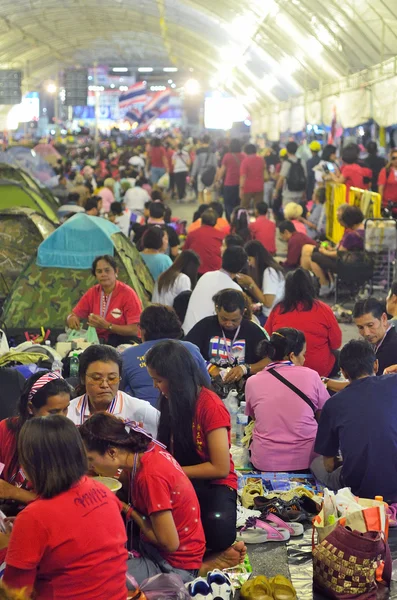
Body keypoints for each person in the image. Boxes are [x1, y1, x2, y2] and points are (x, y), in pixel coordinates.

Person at [2, 416, 128, 598]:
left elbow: (13, 593)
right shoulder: (103, 490)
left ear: (30, 462)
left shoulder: (34, 518)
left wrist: (19, 539)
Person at [79, 413, 205, 585]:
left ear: (112, 452)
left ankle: (198, 572)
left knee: (100, 580)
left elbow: (170, 544)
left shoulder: (150, 476)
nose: (90, 466)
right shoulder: (144, 450)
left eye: (91, 460)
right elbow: (129, 483)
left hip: (174, 564)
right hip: (155, 547)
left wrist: (126, 509)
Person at [145, 340, 243, 560]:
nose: (155, 387)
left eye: (158, 380)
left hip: (213, 483)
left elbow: (220, 468)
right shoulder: (170, 399)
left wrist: (173, 471)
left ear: (177, 379)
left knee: (218, 531)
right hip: (181, 479)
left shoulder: (210, 405)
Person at [311, 340, 397, 501]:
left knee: (316, 463)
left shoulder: (333, 403)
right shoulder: (393, 383)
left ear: (343, 372)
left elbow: (329, 465)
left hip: (361, 489)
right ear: (376, 365)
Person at [246, 328, 329, 472]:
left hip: (265, 462)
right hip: (307, 461)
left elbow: (255, 417)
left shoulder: (253, 381)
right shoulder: (312, 376)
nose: (304, 359)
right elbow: (325, 417)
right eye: (303, 354)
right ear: (292, 356)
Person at [0, 371, 72, 507]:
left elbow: (63, 504)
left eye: (65, 409)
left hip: (45, 516)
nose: (62, 418)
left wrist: (13, 492)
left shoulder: (67, 440)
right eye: (54, 412)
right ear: (31, 408)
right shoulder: (6, 430)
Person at [122, 305, 210, 407]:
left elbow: (119, 393)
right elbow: (206, 386)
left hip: (144, 418)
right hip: (189, 415)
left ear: (142, 330)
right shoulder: (191, 349)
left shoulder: (127, 355)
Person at [67, 345, 159, 436]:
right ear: (83, 378)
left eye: (112, 378)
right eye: (96, 378)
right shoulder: (68, 413)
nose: (104, 385)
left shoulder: (142, 412)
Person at [266, 269, 342, 377]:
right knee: (338, 355)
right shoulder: (324, 309)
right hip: (319, 372)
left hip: (283, 372)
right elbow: (336, 343)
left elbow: (267, 337)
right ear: (311, 286)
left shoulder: (278, 309)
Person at [185, 289, 268, 385]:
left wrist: (245, 368)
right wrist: (208, 367)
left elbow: (269, 361)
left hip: (244, 388)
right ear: (217, 310)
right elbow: (185, 351)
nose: (229, 324)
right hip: (209, 385)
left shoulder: (253, 331)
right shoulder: (205, 326)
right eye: (224, 319)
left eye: (234, 320)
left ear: (243, 312)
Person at [67, 255, 142, 344]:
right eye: (99, 271)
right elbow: (73, 314)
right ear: (95, 275)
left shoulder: (128, 294)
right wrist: (71, 318)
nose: (103, 274)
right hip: (98, 341)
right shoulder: (93, 292)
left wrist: (108, 326)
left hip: (123, 342)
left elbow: (135, 330)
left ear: (116, 271)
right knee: (62, 338)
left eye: (107, 270)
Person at [182, 246, 247, 335]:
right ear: (241, 268)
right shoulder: (235, 290)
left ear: (222, 258)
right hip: (205, 339)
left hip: (186, 332)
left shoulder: (206, 276)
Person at [305, 205, 365, 296]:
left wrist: (324, 252)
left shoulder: (351, 235)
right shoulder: (364, 230)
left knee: (315, 256)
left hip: (347, 266)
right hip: (359, 263)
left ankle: (324, 285)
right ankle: (327, 283)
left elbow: (339, 254)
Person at [237, 240, 285, 320]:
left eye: (250, 259)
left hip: (270, 317)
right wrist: (247, 285)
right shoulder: (268, 271)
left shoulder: (270, 272)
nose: (249, 263)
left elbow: (268, 303)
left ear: (257, 257)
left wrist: (251, 282)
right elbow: (262, 297)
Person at [353, 297, 397, 375]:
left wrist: (327, 382)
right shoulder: (382, 340)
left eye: (370, 325)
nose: (366, 333)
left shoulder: (391, 348)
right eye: (360, 327)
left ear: (383, 319)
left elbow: (364, 383)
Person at [183, 209, 225, 276]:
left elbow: (184, 253)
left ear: (201, 220)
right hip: (215, 271)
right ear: (215, 222)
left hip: (195, 271)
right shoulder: (221, 235)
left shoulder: (192, 234)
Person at [217, 139, 245, 220]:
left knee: (228, 205)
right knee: (238, 204)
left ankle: (231, 221)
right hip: (241, 184)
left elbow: (222, 170)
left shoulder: (227, 156)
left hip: (229, 184)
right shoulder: (243, 156)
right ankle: (238, 221)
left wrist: (218, 180)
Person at [273, 141, 307, 207]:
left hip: (288, 193)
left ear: (287, 150)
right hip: (299, 192)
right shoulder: (302, 161)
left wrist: (276, 191)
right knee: (297, 213)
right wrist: (304, 192)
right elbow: (305, 178)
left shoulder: (287, 163)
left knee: (288, 214)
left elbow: (281, 179)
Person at [191, 135, 217, 203]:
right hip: (210, 174)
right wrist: (216, 175)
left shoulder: (198, 151)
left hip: (200, 173)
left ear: (202, 141)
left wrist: (192, 175)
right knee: (208, 191)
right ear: (209, 141)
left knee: (200, 191)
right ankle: (208, 205)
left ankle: (202, 206)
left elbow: (195, 164)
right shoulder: (213, 150)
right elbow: (215, 164)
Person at [239, 144, 265, 208]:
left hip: (247, 188)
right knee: (258, 208)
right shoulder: (261, 160)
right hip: (259, 187)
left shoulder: (245, 161)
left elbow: (243, 176)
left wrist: (241, 189)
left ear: (246, 151)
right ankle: (258, 218)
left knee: (244, 207)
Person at [378, 149, 397, 213]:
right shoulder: (385, 171)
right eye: (394, 158)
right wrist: (381, 204)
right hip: (388, 207)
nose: (396, 160)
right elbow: (381, 189)